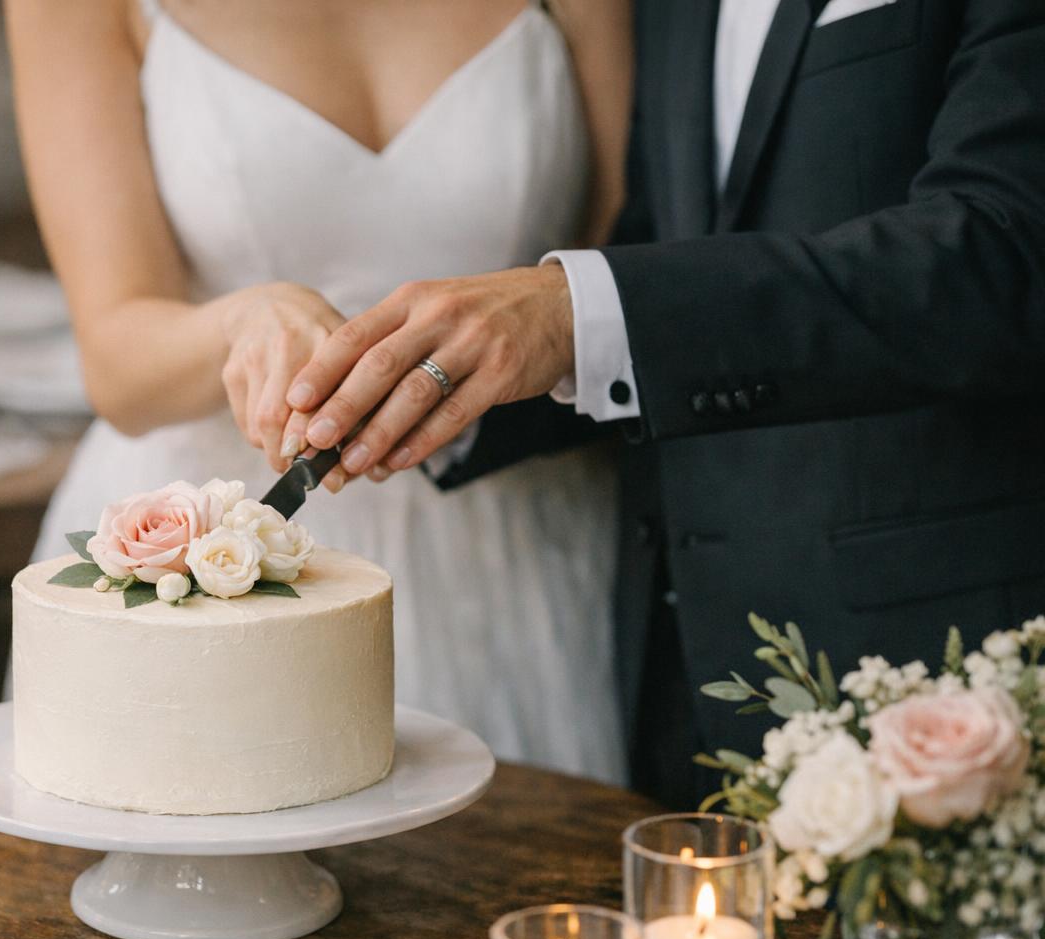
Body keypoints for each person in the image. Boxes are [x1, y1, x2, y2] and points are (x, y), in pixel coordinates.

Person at [282, 0, 1045, 809]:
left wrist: (569, 309)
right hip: (676, 662)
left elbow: (1006, 252)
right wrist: (421, 386)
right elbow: (661, 240)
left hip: (934, 662)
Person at [4, 0, 632, 778]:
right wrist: (240, 321)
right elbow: (117, 361)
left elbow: (625, 263)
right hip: (228, 533)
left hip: (520, 531)